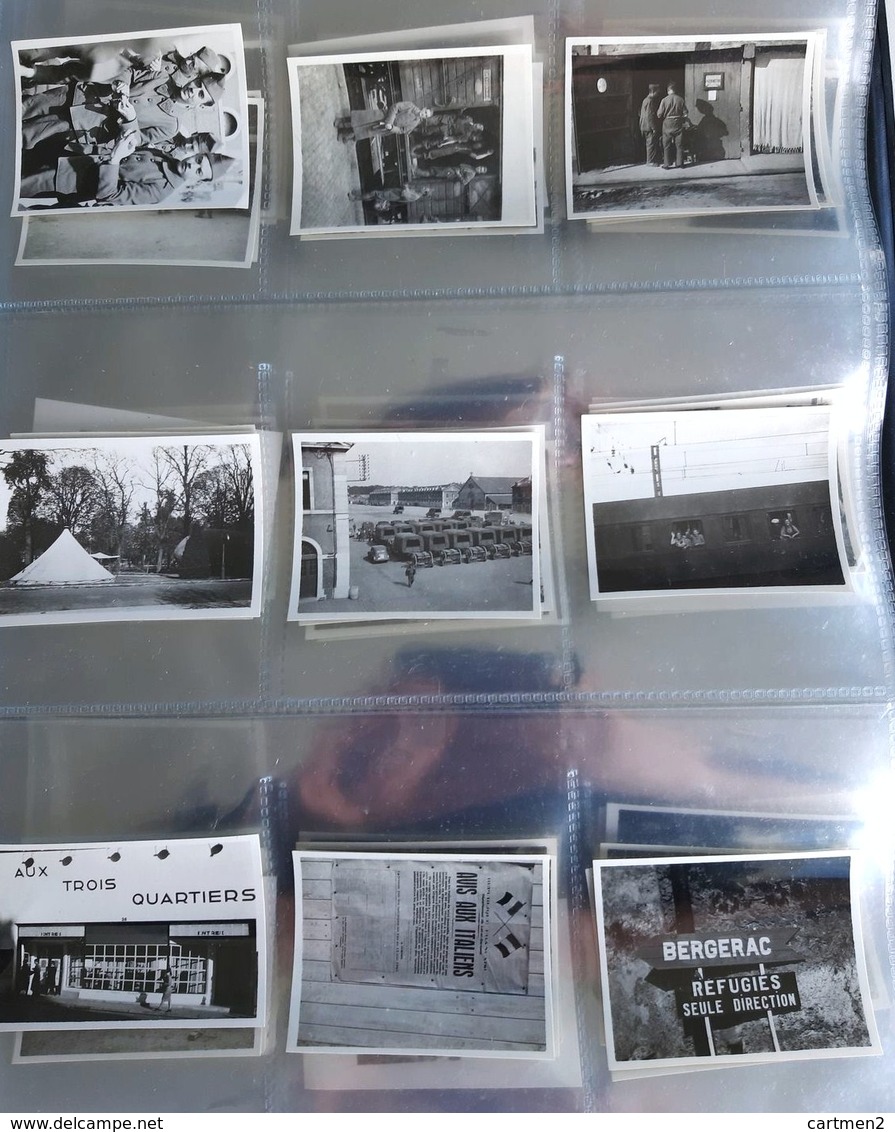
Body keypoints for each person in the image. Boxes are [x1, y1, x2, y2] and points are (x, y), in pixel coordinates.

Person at [19, 148, 228, 209]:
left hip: (67, 180)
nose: (192, 164)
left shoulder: (161, 190)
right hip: (70, 158)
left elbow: (109, 195)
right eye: (199, 159)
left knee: (14, 186)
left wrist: (115, 159)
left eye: (199, 171)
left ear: (197, 181)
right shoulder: (166, 156)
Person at [335, 102, 433, 143]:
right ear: (423, 108)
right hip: (385, 115)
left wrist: (391, 128)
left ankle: (345, 134)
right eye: (425, 112)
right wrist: (389, 121)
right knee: (361, 119)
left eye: (425, 116)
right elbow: (396, 106)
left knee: (366, 131)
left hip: (386, 128)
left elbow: (402, 130)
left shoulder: (416, 122)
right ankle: (342, 122)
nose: (423, 114)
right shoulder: (411, 106)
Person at [657, 81, 689, 169]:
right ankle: (680, 163)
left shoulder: (664, 100)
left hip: (667, 123)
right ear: (675, 90)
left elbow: (659, 114)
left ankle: (667, 164)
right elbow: (685, 113)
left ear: (668, 90)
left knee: (666, 145)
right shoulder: (681, 99)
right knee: (679, 144)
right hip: (678, 123)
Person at [349, 185, 431, 209]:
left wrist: (406, 187)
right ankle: (357, 196)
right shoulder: (416, 192)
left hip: (393, 195)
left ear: (424, 193)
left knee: (374, 193)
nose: (423, 187)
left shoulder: (416, 196)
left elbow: (404, 195)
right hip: (393, 192)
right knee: (374, 196)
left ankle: (354, 198)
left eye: (424, 189)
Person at [639, 83, 662, 166]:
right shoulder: (650, 101)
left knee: (649, 143)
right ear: (653, 91)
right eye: (657, 92)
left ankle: (651, 160)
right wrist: (654, 127)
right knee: (651, 143)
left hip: (644, 125)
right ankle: (650, 162)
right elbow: (650, 115)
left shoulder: (645, 100)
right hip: (648, 126)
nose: (658, 93)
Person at [412, 163, 487, 186]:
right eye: (481, 167)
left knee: (433, 172)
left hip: (451, 173)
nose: (479, 168)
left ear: (480, 172)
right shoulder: (471, 167)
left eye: (481, 170)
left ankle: (415, 171)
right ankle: (417, 171)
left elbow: (464, 182)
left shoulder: (472, 174)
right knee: (433, 169)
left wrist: (458, 174)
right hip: (451, 168)